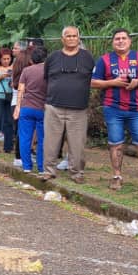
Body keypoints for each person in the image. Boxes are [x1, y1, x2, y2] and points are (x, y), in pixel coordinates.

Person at [91, 29, 138, 193]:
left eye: (123, 38)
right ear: (112, 42)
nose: (120, 41)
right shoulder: (104, 60)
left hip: (136, 109)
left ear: (130, 41)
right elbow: (93, 82)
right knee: (116, 143)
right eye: (117, 39)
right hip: (113, 108)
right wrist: (112, 82)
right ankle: (116, 176)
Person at [41, 27, 94, 183]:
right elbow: (46, 78)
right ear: (62, 39)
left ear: (79, 38)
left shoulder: (87, 57)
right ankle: (48, 171)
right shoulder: (52, 57)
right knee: (50, 141)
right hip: (54, 106)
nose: (71, 38)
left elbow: (93, 78)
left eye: (74, 36)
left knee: (77, 143)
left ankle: (77, 173)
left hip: (78, 108)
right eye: (68, 36)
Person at [15, 46, 48, 173]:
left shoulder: (26, 71)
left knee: (24, 138)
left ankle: (27, 167)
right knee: (42, 139)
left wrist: (17, 107)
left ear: (31, 59)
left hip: (26, 107)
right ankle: (41, 167)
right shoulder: (48, 71)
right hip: (42, 109)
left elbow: (20, 90)